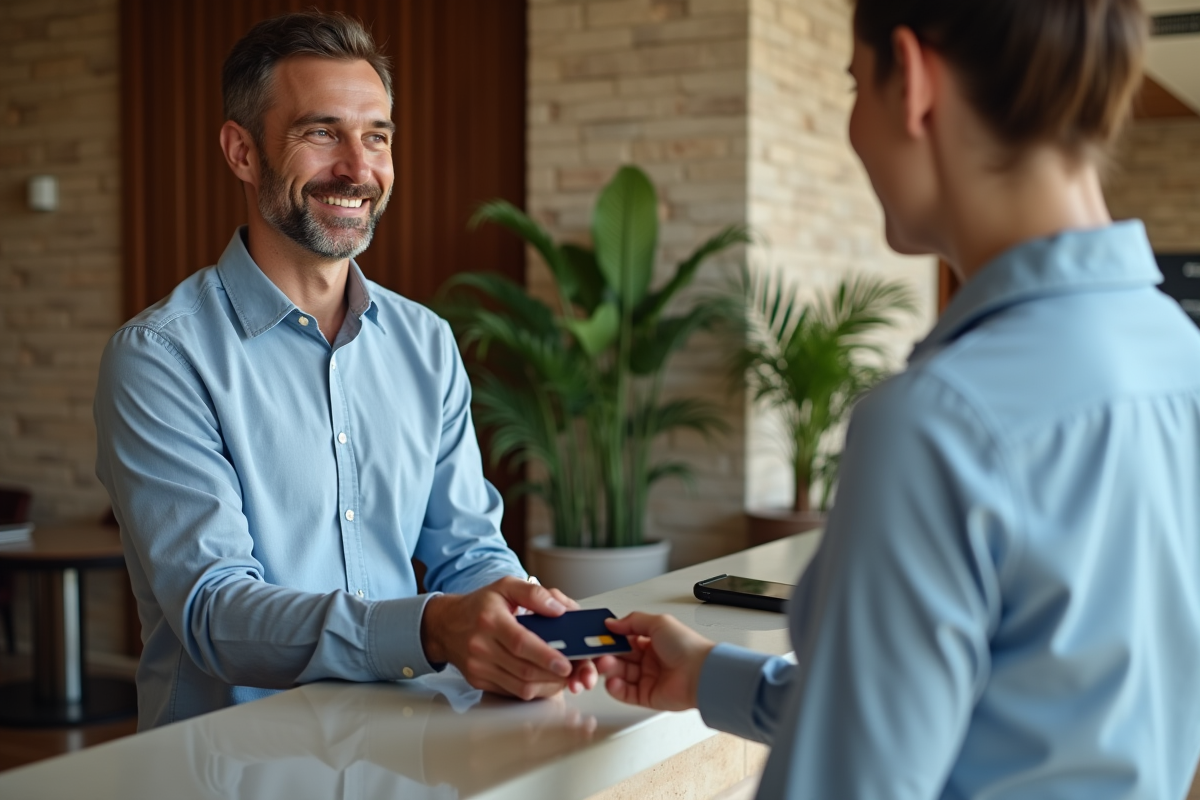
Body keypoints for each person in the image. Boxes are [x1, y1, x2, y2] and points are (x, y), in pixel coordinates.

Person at [596, 1, 1200, 797]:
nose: (852, 125)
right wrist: (713, 675)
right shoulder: (1179, 356)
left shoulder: (939, 423)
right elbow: (1004, 710)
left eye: (854, 83)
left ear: (911, 79)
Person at [94, 11, 595, 731]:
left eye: (378, 137)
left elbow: (469, 550)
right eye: (321, 132)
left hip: (403, 748)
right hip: (227, 767)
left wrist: (524, 621)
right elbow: (212, 609)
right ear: (242, 151)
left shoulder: (426, 342)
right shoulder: (160, 358)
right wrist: (431, 630)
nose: (360, 170)